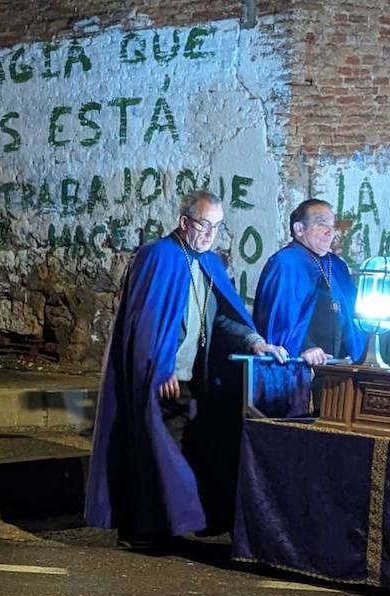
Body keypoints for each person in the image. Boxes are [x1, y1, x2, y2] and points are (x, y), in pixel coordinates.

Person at [85, 191, 285, 547]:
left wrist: (254, 340)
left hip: (195, 378)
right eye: (204, 225)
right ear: (184, 222)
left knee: (186, 451)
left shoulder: (208, 263)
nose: (210, 234)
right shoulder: (158, 256)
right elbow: (145, 321)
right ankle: (146, 531)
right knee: (157, 450)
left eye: (217, 227)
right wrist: (160, 369)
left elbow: (223, 316)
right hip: (163, 378)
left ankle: (172, 524)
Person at [252, 199, 365, 413]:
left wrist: (354, 350)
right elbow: (279, 317)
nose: (330, 231)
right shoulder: (285, 263)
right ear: (298, 229)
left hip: (336, 372)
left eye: (332, 225)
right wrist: (305, 347)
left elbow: (351, 314)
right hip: (298, 372)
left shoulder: (337, 265)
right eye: (322, 223)